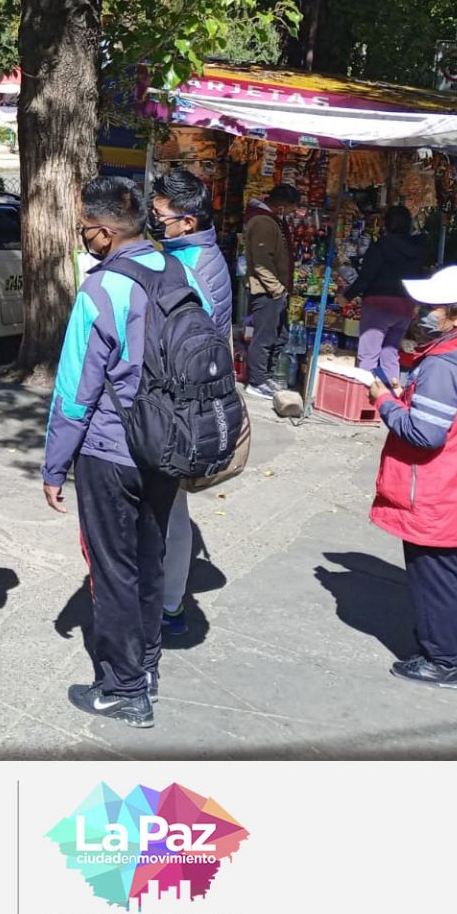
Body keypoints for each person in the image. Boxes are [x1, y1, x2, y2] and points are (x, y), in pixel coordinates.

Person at [42, 176, 179, 728]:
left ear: (102, 232)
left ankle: (124, 689)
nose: (83, 237)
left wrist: (55, 464)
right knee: (149, 559)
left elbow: (75, 391)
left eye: (84, 228)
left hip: (111, 450)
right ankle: (146, 665)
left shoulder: (102, 289)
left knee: (113, 569)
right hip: (168, 445)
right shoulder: (176, 271)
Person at [367, 265, 457, 690]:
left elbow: (424, 433)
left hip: (438, 491)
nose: (421, 311)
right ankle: (441, 653)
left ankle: (442, 662)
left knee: (434, 579)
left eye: (433, 306)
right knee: (444, 574)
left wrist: (384, 401)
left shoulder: (445, 366)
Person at [150, 168, 233, 636]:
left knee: (168, 510)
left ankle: (168, 605)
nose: (154, 221)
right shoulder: (199, 255)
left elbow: (181, 340)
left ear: (188, 222)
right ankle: (169, 602)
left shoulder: (188, 269)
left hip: (181, 402)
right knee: (172, 509)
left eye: (160, 215)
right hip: (192, 397)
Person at [344, 205, 427, 387]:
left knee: (369, 355)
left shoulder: (381, 246)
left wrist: (347, 296)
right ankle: (393, 393)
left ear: (387, 224)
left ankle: (365, 395)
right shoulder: (417, 250)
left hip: (379, 305)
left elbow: (366, 277)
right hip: (405, 306)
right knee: (390, 353)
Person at [242, 182, 300, 398]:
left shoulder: (271, 220)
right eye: (292, 208)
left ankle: (265, 377)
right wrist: (276, 289)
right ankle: (257, 381)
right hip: (267, 290)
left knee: (279, 335)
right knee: (264, 337)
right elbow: (261, 261)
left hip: (275, 289)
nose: (293, 213)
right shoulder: (263, 222)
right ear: (282, 206)